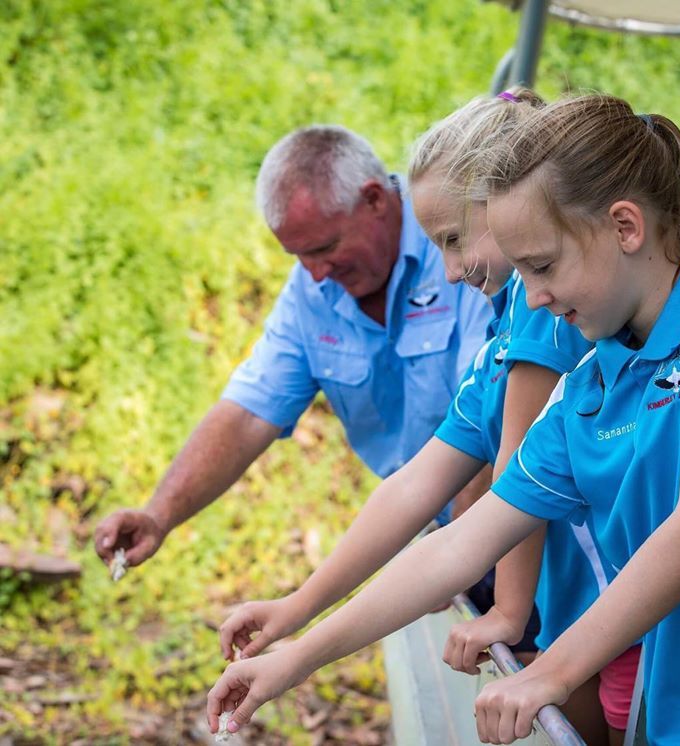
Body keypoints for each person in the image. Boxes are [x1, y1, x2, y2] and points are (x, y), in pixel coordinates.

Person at [206, 94, 680, 745]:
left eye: (543, 267)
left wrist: (549, 670)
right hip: (665, 720)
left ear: (626, 227)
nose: (536, 298)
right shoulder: (587, 386)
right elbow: (458, 545)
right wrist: (295, 658)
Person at [215, 91, 623, 745]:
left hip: (609, 623)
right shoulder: (508, 329)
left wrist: (510, 609)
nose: (451, 270)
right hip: (580, 618)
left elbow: (515, 479)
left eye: (455, 240)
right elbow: (415, 487)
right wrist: (297, 615)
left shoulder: (543, 315)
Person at [93, 125, 491, 570]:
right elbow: (247, 414)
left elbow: (493, 413)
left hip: (516, 526)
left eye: (324, 247)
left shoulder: (460, 242)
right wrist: (158, 515)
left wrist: (456, 548)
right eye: (299, 256)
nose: (316, 273)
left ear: (375, 199)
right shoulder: (311, 292)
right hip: (431, 536)